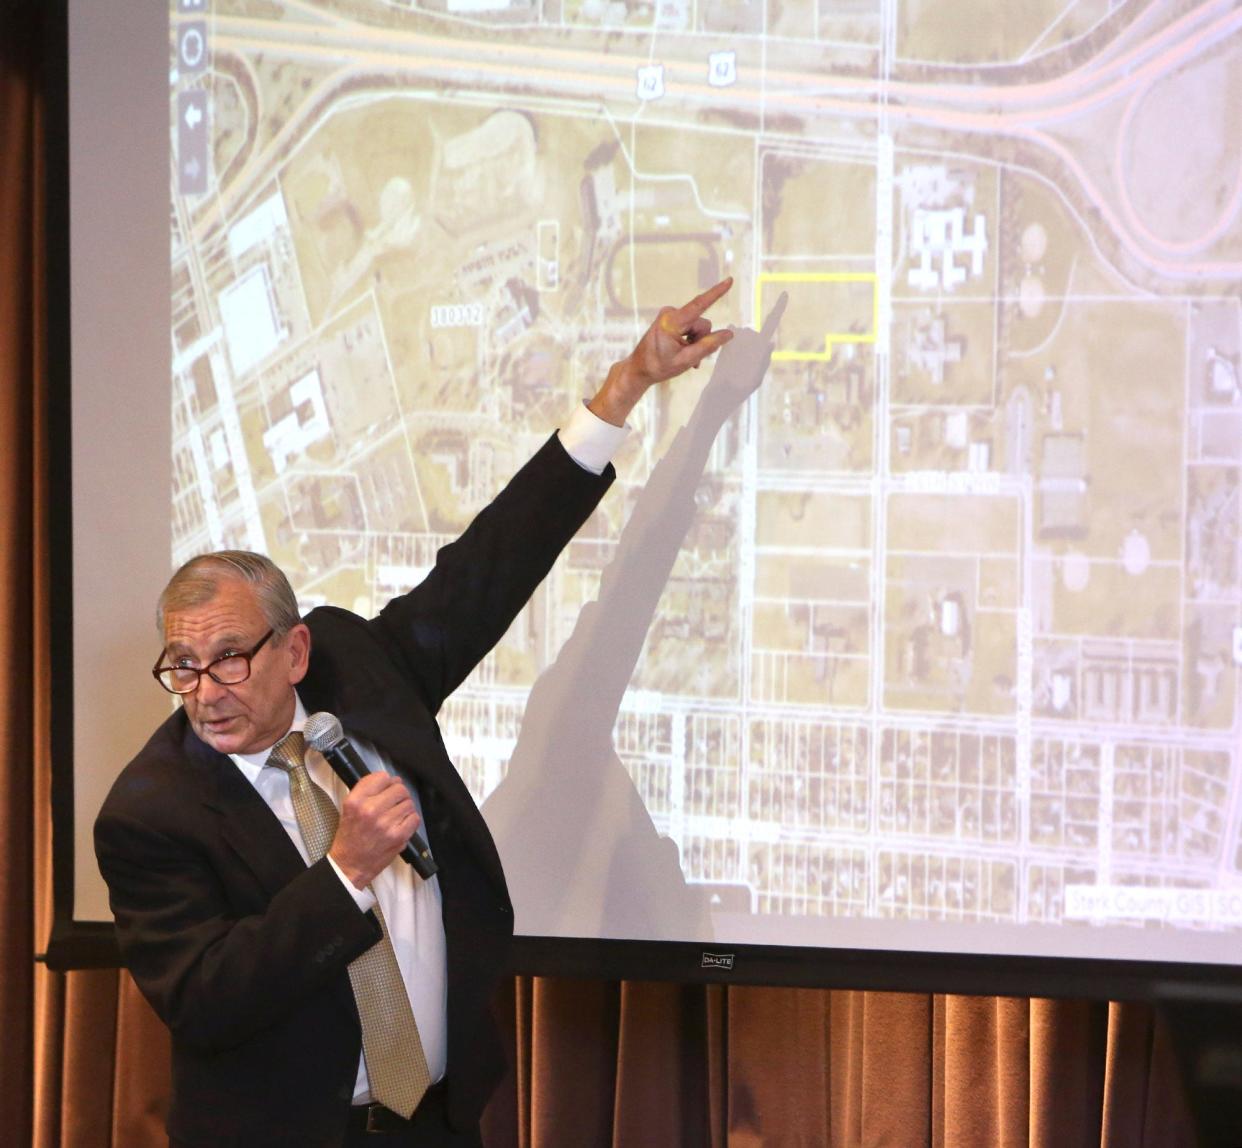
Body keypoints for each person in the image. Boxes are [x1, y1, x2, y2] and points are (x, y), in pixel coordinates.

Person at [94, 281, 733, 1148]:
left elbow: (488, 570)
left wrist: (624, 388)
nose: (207, 692)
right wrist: (344, 873)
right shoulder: (149, 812)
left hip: (432, 1123)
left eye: (231, 660)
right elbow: (208, 999)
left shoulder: (361, 671)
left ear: (297, 651)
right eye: (184, 667)